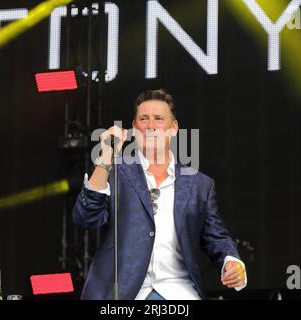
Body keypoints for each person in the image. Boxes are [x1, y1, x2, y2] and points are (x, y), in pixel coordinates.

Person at [73, 89, 247, 300]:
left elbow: (216, 236)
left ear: (174, 128)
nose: (151, 126)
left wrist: (232, 261)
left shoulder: (200, 184)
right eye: (143, 119)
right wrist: (105, 160)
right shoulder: (113, 173)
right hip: (120, 292)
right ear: (134, 129)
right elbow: (85, 219)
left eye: (159, 119)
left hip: (178, 291)